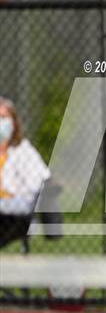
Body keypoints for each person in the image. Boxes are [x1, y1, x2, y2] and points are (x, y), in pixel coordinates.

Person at [0, 96, 51, 248]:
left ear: (13, 123)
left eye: (3, 117)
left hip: (14, 212)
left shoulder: (23, 151)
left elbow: (42, 181)